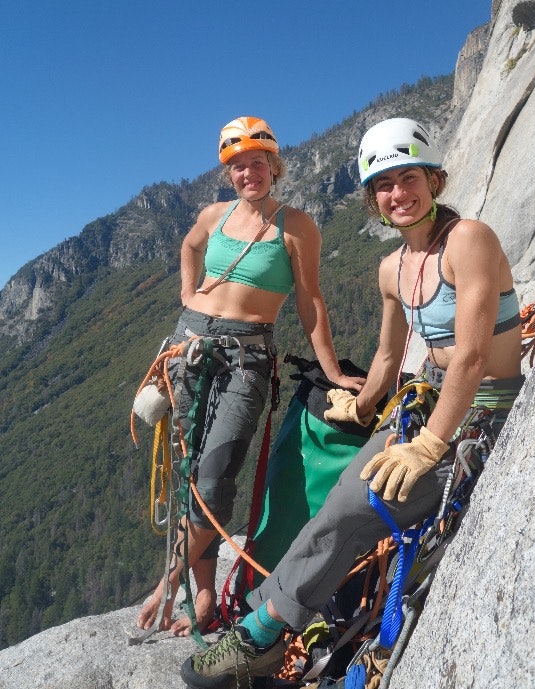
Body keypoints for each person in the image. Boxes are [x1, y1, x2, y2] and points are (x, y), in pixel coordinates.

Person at [179, 117, 524, 688]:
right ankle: (264, 617)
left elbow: (469, 355)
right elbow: (388, 360)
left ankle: (263, 634)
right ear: (371, 199)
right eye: (384, 186)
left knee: (357, 506)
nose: (398, 194)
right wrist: (361, 406)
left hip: (479, 412)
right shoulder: (393, 269)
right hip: (425, 400)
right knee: (338, 494)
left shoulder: (469, 240)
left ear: (433, 180)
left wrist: (432, 444)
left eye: (409, 177)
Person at [136, 116, 364, 637]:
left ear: (273, 167)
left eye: (256, 163)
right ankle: (204, 590)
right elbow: (190, 247)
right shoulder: (213, 215)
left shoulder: (296, 225)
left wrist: (331, 370)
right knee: (191, 471)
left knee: (216, 474)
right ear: (228, 174)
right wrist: (187, 294)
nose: (248, 173)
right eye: (237, 166)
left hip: (246, 358)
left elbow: (310, 301)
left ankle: (167, 585)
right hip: (190, 346)